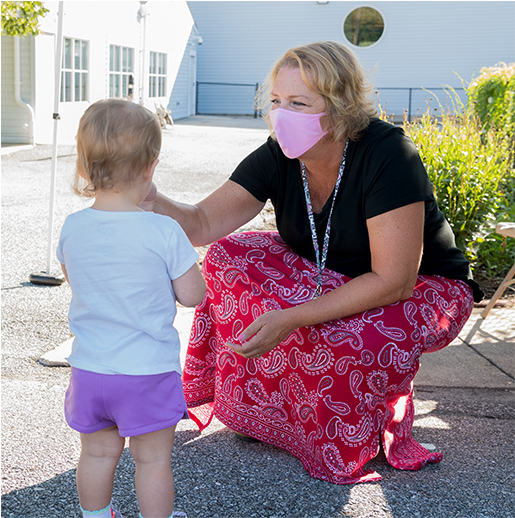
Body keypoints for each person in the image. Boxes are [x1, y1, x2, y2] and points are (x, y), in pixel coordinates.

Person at [142, 41, 483, 484]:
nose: (281, 115)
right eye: (277, 102)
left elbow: (395, 280)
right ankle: (268, 413)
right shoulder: (279, 152)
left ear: (341, 107)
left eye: (299, 104)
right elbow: (204, 223)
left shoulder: (388, 153)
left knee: (346, 331)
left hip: (425, 288)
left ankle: (345, 428)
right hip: (329, 271)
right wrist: (150, 198)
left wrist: (290, 317)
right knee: (228, 255)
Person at [57, 99, 205, 517]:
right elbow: (193, 295)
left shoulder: (72, 228)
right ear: (150, 167)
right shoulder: (163, 230)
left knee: (98, 455)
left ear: (84, 167)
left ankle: (96, 516)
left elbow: (81, 282)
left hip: (90, 370)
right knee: (152, 460)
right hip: (145, 373)